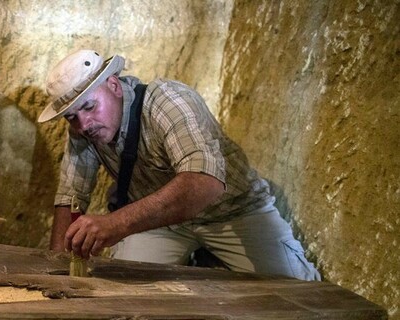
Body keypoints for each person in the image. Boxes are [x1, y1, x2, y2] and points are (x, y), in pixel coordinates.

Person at [40, 49, 319, 281]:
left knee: (298, 293)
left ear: (113, 85)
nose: (83, 124)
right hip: (161, 223)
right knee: (120, 292)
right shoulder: (83, 129)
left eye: (89, 106)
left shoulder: (167, 101)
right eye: (71, 116)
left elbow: (204, 183)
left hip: (232, 212)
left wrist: (116, 223)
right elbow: (70, 196)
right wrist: (58, 270)